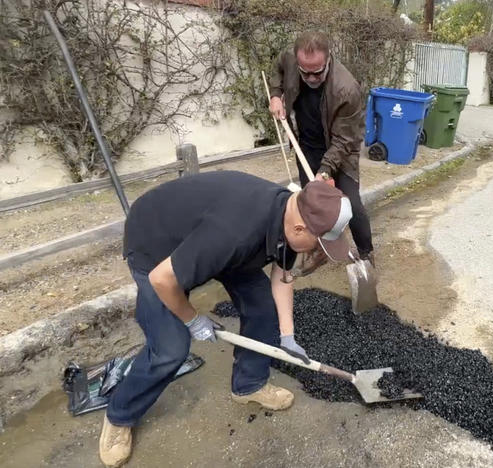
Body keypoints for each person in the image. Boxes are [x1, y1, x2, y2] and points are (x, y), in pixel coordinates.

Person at [99, 171, 352, 467]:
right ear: (298, 229)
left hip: (211, 241)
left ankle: (249, 385)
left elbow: (283, 277)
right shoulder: (235, 233)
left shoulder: (288, 215)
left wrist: (287, 335)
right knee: (170, 347)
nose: (318, 251)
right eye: (318, 244)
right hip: (156, 245)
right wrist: (192, 319)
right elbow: (163, 279)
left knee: (262, 309)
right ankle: (120, 415)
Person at [268, 30, 374, 274]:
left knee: (351, 204)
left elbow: (346, 139)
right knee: (311, 204)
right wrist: (276, 95)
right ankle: (318, 251)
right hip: (306, 144)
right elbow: (279, 70)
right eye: (305, 72)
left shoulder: (347, 89)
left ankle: (366, 255)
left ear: (328, 59)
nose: (311, 77)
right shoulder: (291, 59)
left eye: (318, 71)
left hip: (340, 147)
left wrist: (325, 171)